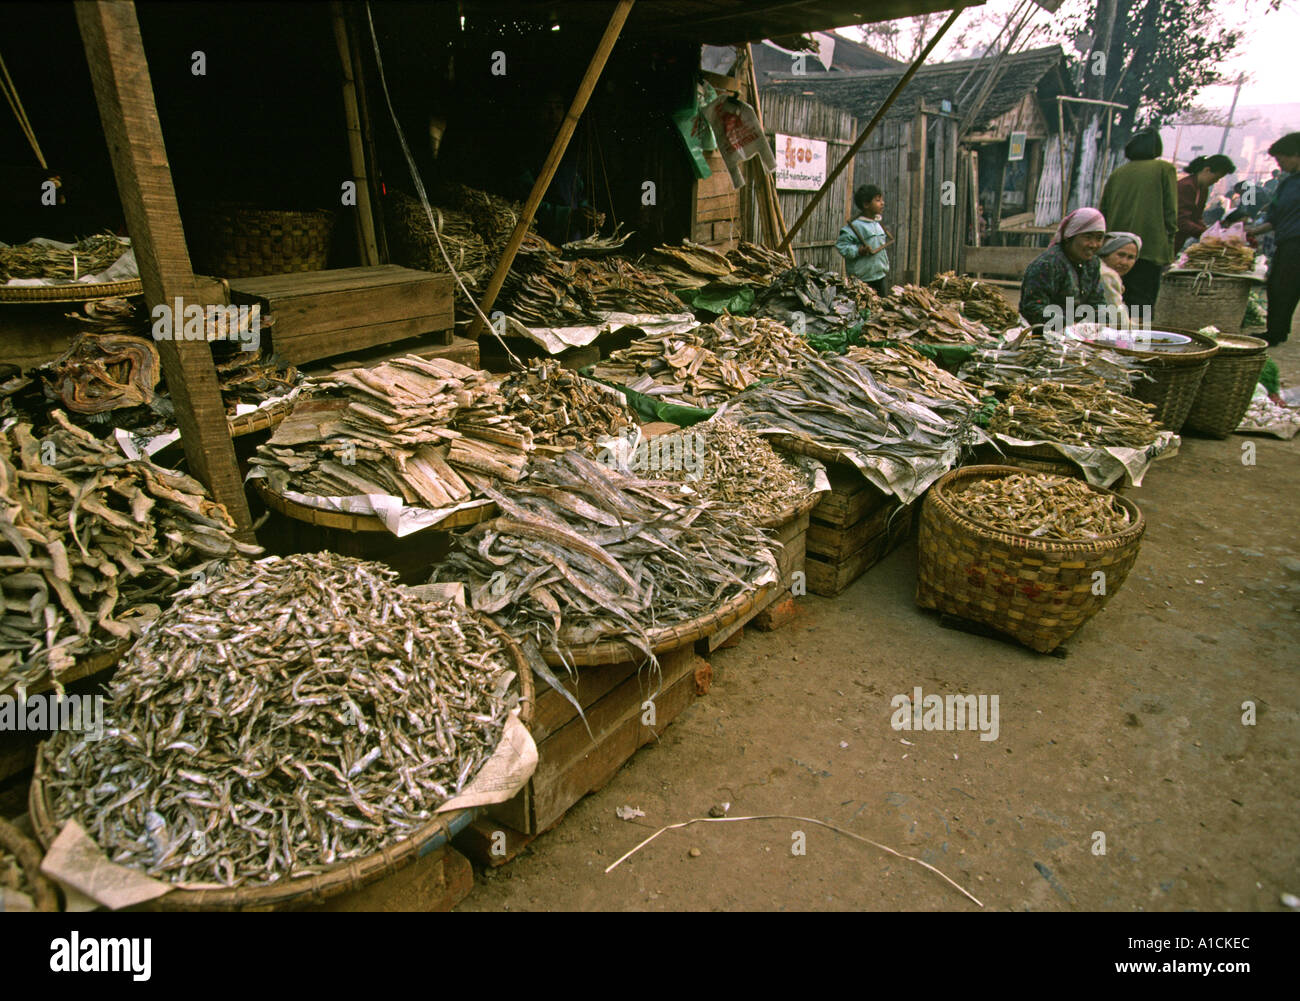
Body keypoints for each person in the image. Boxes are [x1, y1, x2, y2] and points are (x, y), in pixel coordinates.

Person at [1099, 130, 1178, 310]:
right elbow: (1170, 211)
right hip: (1150, 247)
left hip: (1115, 248)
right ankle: (1134, 335)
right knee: (1142, 303)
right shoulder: (1164, 169)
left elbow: (1103, 210)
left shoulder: (1118, 173)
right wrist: (1170, 244)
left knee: (1116, 298)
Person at [1246, 132, 1300, 345]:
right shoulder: (1287, 184)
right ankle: (1278, 330)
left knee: (1283, 286)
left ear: (1296, 154)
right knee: (1279, 286)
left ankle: (1276, 333)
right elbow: (1274, 217)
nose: (1280, 164)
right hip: (1286, 241)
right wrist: (1250, 230)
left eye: (1282, 159)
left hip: (1296, 241)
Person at [1019, 208, 1109, 328]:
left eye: (1099, 238)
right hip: (1044, 334)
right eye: (1087, 237)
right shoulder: (1047, 264)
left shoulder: (1092, 264)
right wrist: (1069, 326)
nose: (1093, 244)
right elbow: (1033, 309)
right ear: (1069, 236)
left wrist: (1102, 323)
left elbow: (1097, 301)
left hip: (1079, 334)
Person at [836, 184, 893, 294]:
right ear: (866, 204)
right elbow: (842, 245)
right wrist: (858, 250)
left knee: (881, 307)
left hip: (879, 275)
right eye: (878, 200)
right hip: (862, 279)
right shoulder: (856, 226)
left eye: (881, 199)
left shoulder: (877, 224)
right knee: (864, 308)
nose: (882, 203)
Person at [1177, 154, 1236, 249]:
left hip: (1179, 239)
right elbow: (1180, 220)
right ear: (1207, 170)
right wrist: (1207, 233)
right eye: (1216, 177)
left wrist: (1209, 231)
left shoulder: (1203, 189)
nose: (1216, 181)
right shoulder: (1186, 186)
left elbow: (1197, 217)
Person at [1099, 231, 1142, 326]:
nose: (1124, 262)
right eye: (1121, 255)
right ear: (1106, 253)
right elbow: (1118, 316)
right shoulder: (1107, 275)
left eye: (1130, 257)